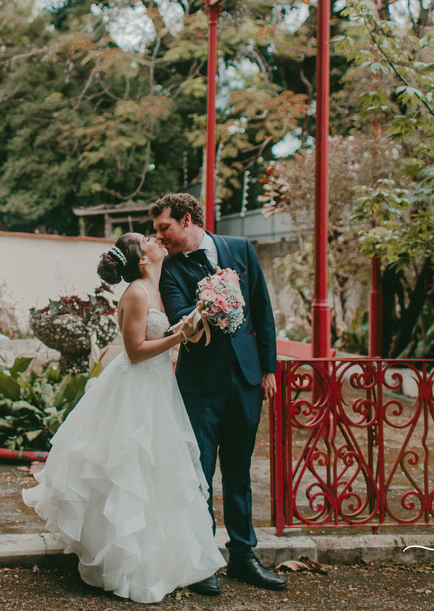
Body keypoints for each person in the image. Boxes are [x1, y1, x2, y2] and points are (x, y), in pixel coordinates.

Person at [22, 232, 224, 604]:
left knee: (159, 471)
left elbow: (165, 336)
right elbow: (134, 351)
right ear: (142, 258)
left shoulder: (161, 287)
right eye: (148, 238)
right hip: (136, 388)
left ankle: (161, 562)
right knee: (132, 470)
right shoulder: (136, 292)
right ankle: (127, 564)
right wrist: (179, 337)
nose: (155, 238)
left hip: (161, 385)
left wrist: (191, 328)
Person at [151, 192, 287, 596]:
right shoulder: (170, 269)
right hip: (200, 386)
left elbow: (262, 308)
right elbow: (180, 321)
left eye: (165, 229)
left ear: (188, 219)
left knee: (240, 471)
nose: (161, 238)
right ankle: (202, 560)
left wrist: (268, 368)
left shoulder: (240, 248)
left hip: (246, 379)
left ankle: (244, 556)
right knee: (200, 474)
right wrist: (209, 305)